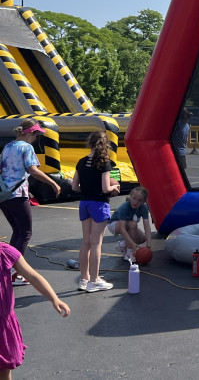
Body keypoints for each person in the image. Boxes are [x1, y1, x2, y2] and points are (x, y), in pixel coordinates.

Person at [0, 119, 61, 286]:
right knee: (25, 232)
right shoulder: (26, 147)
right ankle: (12, 270)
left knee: (18, 232)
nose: (37, 138)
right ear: (31, 133)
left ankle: (10, 269)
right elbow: (33, 170)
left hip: (4, 195)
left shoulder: (8, 146)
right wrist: (53, 183)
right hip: (18, 194)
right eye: (37, 135)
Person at [0, 242, 70, 379]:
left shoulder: (5, 252)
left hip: (3, 324)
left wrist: (54, 299)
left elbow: (33, 277)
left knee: (4, 367)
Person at [73, 131, 121, 293]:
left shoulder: (81, 162)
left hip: (84, 203)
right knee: (96, 243)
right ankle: (94, 281)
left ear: (90, 143)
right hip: (98, 203)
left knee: (86, 241)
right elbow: (105, 188)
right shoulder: (104, 163)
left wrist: (87, 189)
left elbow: (74, 187)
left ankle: (84, 279)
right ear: (105, 144)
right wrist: (115, 187)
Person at [108, 186, 151, 262]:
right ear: (130, 197)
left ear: (144, 202)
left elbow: (146, 226)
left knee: (142, 238)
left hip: (129, 225)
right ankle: (129, 253)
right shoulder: (124, 207)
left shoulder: (144, 208)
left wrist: (149, 242)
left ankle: (122, 245)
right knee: (132, 225)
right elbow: (122, 228)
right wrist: (132, 244)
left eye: (139, 200)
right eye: (134, 198)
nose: (135, 202)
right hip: (114, 225)